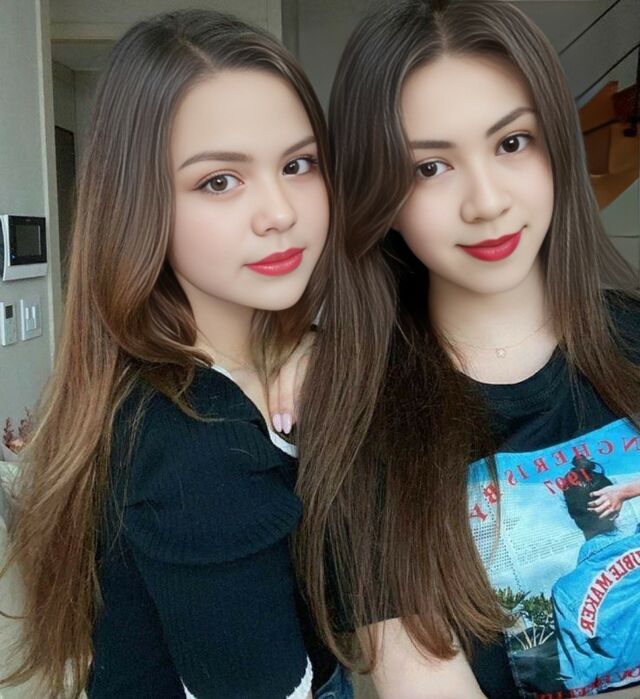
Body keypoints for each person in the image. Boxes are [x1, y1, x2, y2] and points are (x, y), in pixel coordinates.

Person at [293, 1, 640, 698]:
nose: (486, 201)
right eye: (429, 167)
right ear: (380, 196)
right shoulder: (364, 421)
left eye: (512, 143)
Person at [1, 10, 351, 699]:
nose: (279, 211)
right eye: (219, 180)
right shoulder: (195, 442)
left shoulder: (265, 360)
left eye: (298, 164)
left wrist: (316, 346)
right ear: (140, 204)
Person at [552, 458, 640, 693]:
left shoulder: (565, 591)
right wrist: (625, 491)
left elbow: (578, 680)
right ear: (616, 507)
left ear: (572, 514)